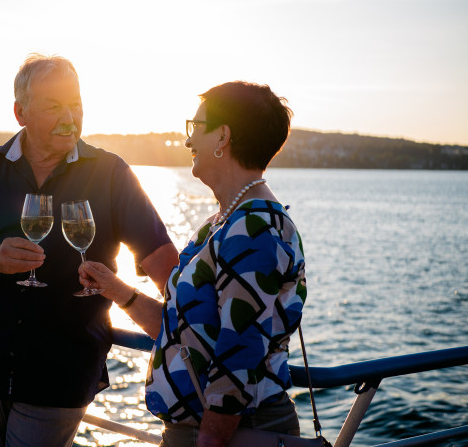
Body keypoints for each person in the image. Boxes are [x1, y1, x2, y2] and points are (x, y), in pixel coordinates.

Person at [0, 53, 179, 447]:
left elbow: (168, 270)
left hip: (61, 372)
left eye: (76, 104)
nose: (70, 116)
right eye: (53, 106)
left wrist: (201, 323)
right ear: (20, 113)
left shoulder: (110, 173)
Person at [80, 81, 306, 447]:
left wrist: (209, 441)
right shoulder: (223, 222)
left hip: (233, 432)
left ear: (223, 137)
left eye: (196, 128)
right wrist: (117, 290)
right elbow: (183, 328)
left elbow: (239, 355)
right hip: (200, 429)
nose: (188, 142)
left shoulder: (253, 228)